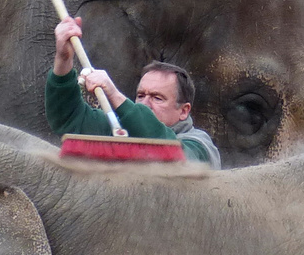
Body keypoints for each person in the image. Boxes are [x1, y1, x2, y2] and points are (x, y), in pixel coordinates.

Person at [46, 17, 222, 168]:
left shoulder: (200, 146)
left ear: (183, 110)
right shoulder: (120, 131)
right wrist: (64, 59)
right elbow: (68, 118)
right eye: (140, 95)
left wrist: (114, 95)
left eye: (157, 98)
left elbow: (172, 155)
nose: (145, 104)